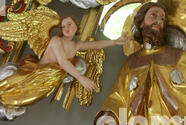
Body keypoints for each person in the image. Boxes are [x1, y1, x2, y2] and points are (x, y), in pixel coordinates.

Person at [0, 15, 131, 107]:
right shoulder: (56, 40)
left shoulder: (76, 46)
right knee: (8, 86)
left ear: (76, 27)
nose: (66, 28)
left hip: (46, 81)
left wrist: (114, 42)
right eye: (63, 26)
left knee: (21, 99)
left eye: (69, 24)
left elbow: (95, 45)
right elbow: (62, 62)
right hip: (35, 73)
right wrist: (81, 78)